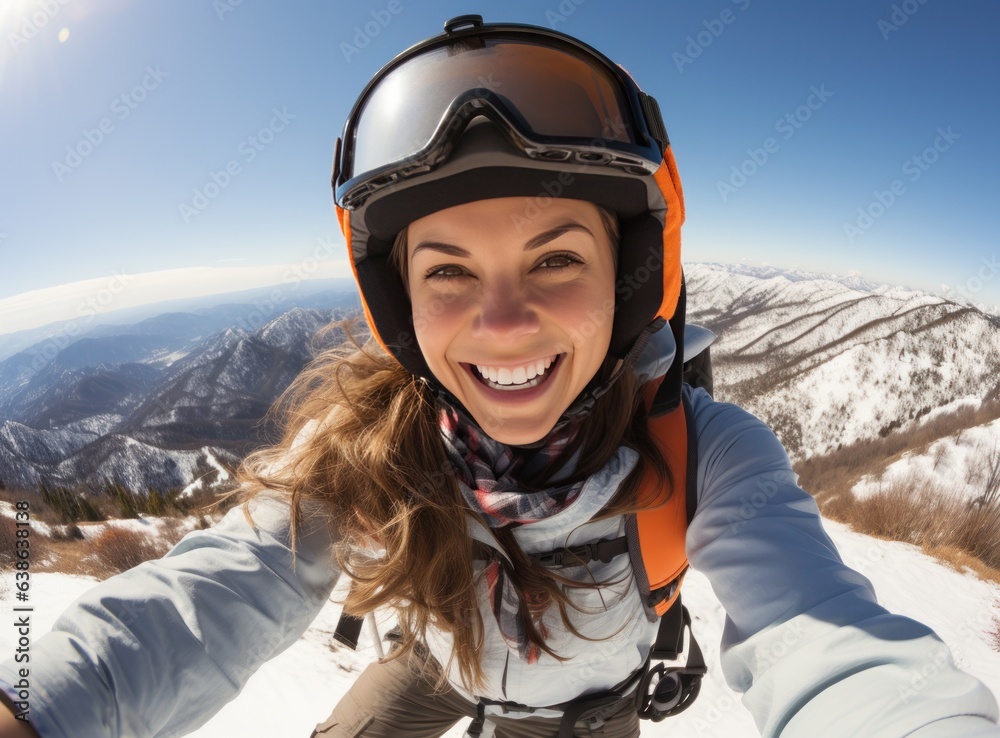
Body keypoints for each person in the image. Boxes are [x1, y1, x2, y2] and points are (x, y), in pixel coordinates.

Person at [1, 14, 999, 738]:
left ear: (630, 278)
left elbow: (826, 637)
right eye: (446, 272)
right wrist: (35, 708)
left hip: (589, 713)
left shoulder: (704, 451)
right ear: (398, 301)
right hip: (434, 672)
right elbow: (213, 594)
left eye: (557, 257)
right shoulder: (366, 448)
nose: (503, 322)